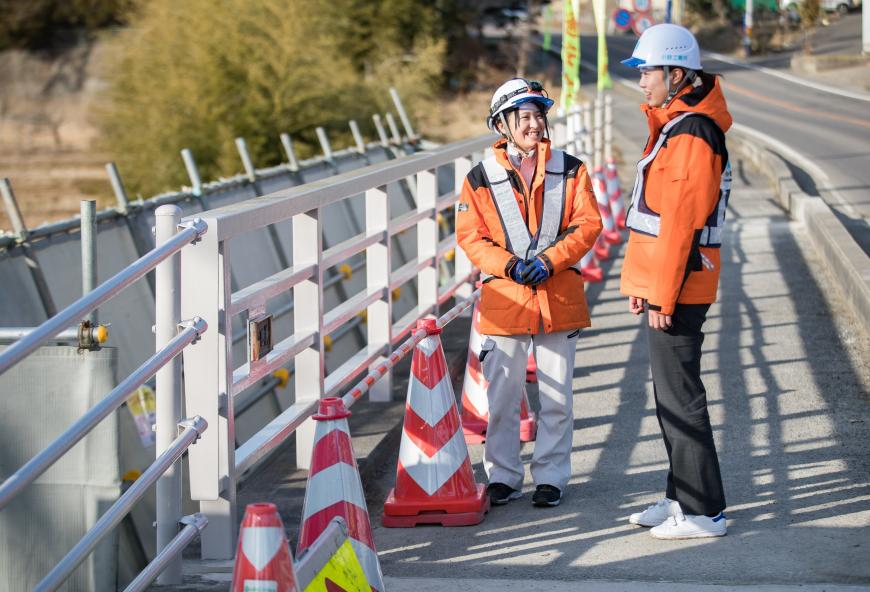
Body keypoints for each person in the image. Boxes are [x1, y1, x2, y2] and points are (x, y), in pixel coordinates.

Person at [456, 78, 602, 508]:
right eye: (524, 117)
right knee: (501, 398)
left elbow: (588, 224)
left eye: (539, 115)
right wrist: (509, 265)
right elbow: (471, 237)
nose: (534, 124)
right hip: (506, 298)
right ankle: (502, 476)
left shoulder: (571, 168)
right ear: (503, 124)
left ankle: (551, 478)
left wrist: (549, 261)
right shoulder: (479, 179)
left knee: (557, 397)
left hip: (557, 295)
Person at [619, 24, 732, 538]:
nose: (642, 82)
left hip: (680, 288)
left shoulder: (692, 135)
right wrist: (644, 285)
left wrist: (661, 293)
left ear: (678, 74)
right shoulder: (677, 125)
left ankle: (705, 511)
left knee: (681, 398)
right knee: (670, 397)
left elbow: (681, 225)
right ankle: (679, 498)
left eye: (649, 72)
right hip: (667, 284)